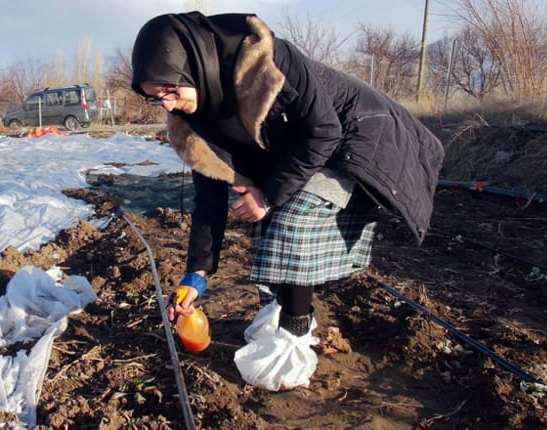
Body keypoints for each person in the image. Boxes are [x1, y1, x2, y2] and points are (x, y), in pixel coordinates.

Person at [130, 12, 444, 390]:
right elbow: (208, 199)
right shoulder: (193, 121)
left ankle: (295, 337)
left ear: (192, 67)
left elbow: (324, 130)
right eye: (153, 98)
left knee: (289, 220)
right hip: (301, 153)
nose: (165, 105)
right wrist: (197, 274)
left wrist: (272, 194)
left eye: (169, 91)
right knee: (261, 216)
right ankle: (282, 310)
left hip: (357, 137)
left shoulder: (265, 62)